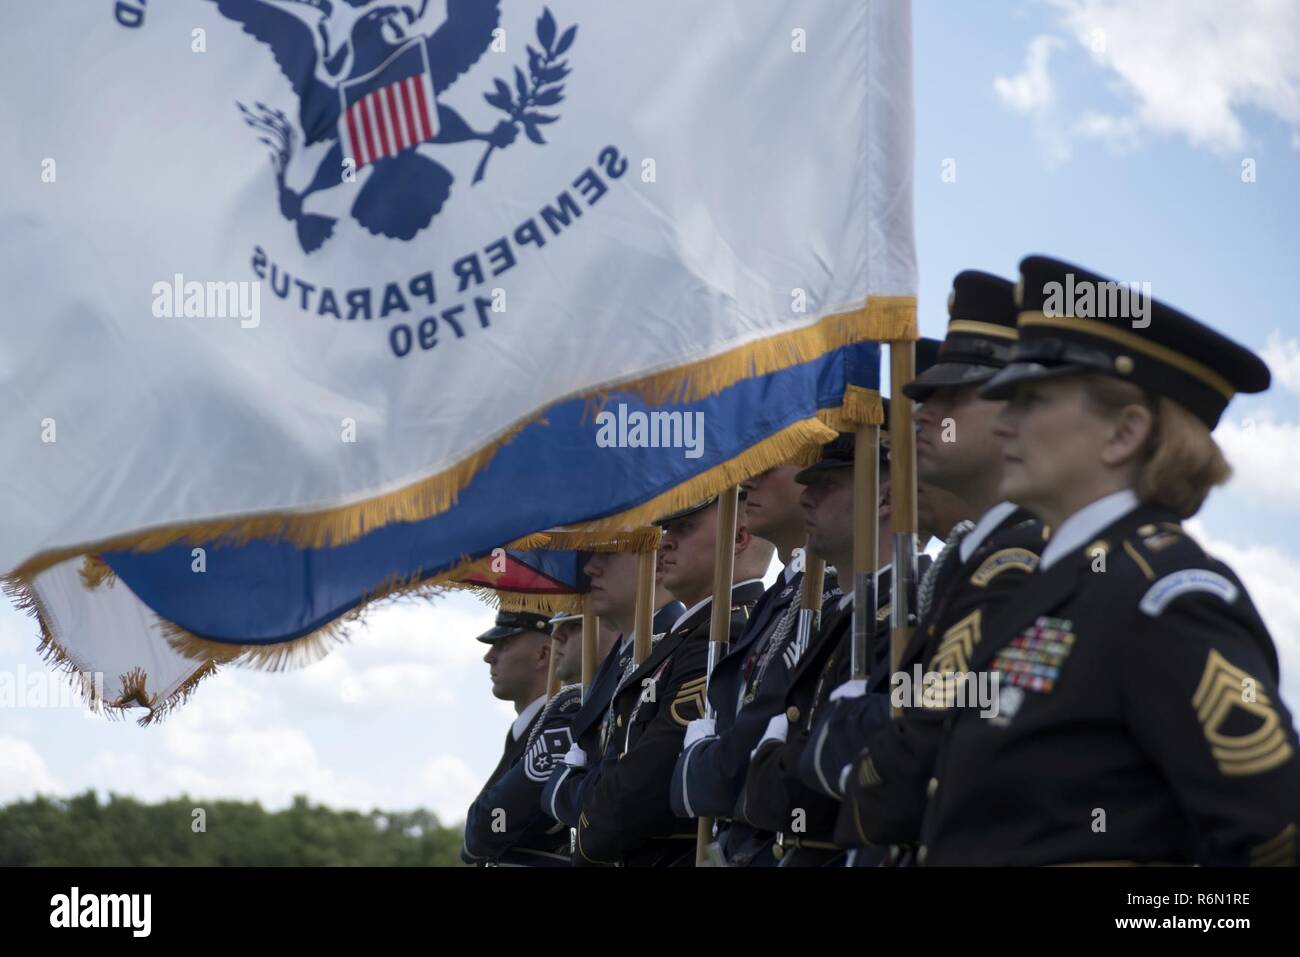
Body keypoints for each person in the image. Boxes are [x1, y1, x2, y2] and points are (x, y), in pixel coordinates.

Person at [913, 254, 1300, 865]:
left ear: (1125, 433)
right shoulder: (1063, 583)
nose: (1004, 423)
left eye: (1031, 400)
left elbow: (1275, 833)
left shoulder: (1166, 599)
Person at [834, 271, 1048, 859]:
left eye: (953, 396)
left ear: (1019, 409)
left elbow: (920, 754)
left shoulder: (1018, 566)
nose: (922, 415)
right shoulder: (974, 561)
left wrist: (849, 744)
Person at [547, 496, 769, 865]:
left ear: (738, 539)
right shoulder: (684, 640)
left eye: (684, 528)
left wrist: (587, 828)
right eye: (667, 528)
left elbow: (645, 782)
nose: (663, 541)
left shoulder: (725, 633)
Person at [735, 431, 894, 865]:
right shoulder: (846, 615)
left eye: (828, 484)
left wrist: (771, 761)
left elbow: (797, 790)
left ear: (886, 499)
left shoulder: (900, 613)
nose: (807, 497)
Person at [669, 462, 815, 866]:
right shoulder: (779, 599)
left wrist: (696, 766)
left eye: (770, 467)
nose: (747, 481)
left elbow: (745, 757)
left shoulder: (825, 596)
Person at [540, 550, 684, 846]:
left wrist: (568, 787)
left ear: (654, 561)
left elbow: (626, 792)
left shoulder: (676, 644)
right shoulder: (619, 658)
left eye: (608, 553)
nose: (590, 568)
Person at [459, 610, 558, 865]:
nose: (488, 657)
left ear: (543, 654)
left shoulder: (560, 726)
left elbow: (482, 831)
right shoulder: (526, 730)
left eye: (503, 644)